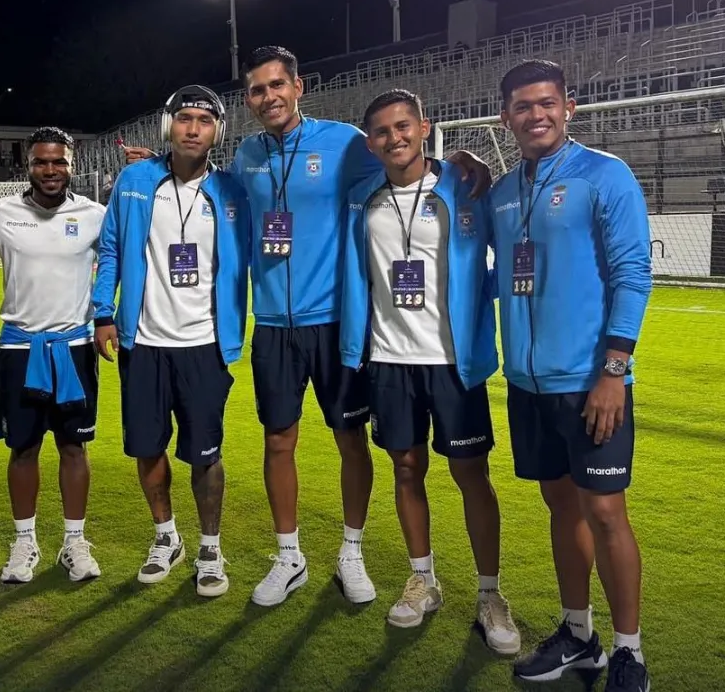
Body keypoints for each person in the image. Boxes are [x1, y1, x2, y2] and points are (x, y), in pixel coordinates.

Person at [124, 46, 491, 608]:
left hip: (335, 321)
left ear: (299, 87)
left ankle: (352, 552)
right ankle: (289, 556)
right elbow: (196, 180)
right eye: (256, 89)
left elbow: (406, 162)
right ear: (247, 101)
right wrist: (154, 161)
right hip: (272, 324)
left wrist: (457, 160)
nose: (268, 96)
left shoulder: (345, 142)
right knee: (278, 440)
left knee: (351, 440)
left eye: (277, 85)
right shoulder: (245, 155)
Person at [490, 60, 652, 691]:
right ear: (506, 117)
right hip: (529, 386)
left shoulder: (604, 176)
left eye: (547, 103)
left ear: (569, 106)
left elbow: (633, 274)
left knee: (606, 511)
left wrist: (614, 371)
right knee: (562, 505)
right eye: (524, 107)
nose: (537, 115)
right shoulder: (503, 191)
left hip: (592, 384)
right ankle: (578, 635)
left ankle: (629, 651)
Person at [340, 89, 521, 654]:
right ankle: (424, 578)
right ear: (370, 142)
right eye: (381, 132)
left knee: (471, 474)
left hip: (451, 361)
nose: (394, 139)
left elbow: (497, 262)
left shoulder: (464, 189)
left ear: (424, 127)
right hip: (389, 358)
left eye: (403, 127)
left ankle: (490, 593)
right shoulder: (359, 201)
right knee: (406, 468)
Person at [93, 85, 250, 597]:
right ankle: (166, 537)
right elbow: (112, 247)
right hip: (143, 343)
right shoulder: (136, 180)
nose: (192, 128)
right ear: (169, 126)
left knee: (206, 453)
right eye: (184, 118)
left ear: (217, 131)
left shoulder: (232, 190)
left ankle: (210, 546)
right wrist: (103, 312)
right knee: (147, 445)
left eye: (204, 120)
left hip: (205, 344)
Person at [0, 126, 106, 585]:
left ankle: (74, 542)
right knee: (23, 448)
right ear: (28, 166)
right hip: (19, 347)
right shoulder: (1, 212)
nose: (50, 170)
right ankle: (25, 542)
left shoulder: (95, 215)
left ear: (71, 164)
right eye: (41, 162)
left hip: (75, 346)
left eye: (59, 161)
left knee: (74, 447)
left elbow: (117, 263)